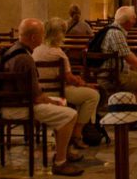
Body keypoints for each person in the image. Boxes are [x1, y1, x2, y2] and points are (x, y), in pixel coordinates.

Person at [0, 19, 85, 176]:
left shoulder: (13, 50)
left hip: (10, 103)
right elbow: (36, 97)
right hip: (20, 108)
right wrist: (52, 101)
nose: (43, 38)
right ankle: (60, 162)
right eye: (41, 35)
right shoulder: (25, 58)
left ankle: (63, 151)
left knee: (62, 105)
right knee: (70, 114)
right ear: (33, 38)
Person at [33, 18, 103, 151]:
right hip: (58, 92)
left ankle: (71, 128)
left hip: (41, 91)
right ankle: (77, 133)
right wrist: (85, 84)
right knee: (93, 95)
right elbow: (69, 78)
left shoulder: (37, 50)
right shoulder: (58, 53)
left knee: (84, 94)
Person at [92, 6, 137, 104]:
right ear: (128, 21)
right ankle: (127, 112)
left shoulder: (113, 29)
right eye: (134, 18)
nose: (135, 21)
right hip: (111, 76)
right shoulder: (116, 33)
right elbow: (131, 60)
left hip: (116, 72)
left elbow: (126, 58)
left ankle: (125, 106)